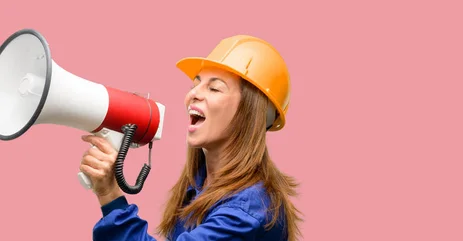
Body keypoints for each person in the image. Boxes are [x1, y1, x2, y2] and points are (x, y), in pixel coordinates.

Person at [79, 35, 302, 241]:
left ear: (250, 114)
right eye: (194, 85)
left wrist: (109, 194)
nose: (192, 94)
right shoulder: (201, 184)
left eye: (214, 88)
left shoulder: (247, 212)